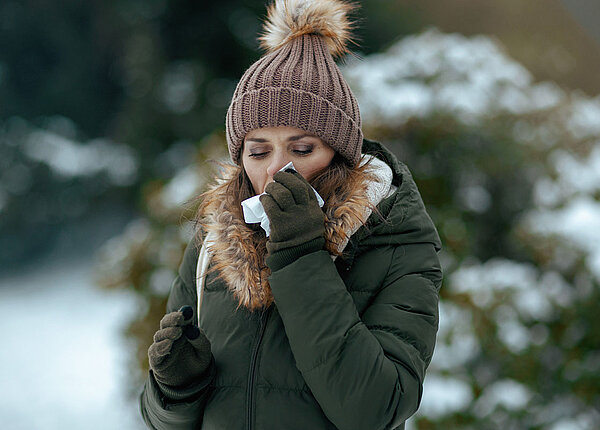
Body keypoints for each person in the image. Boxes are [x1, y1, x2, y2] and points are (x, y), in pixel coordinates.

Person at [139, 0, 443, 429]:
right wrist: (174, 390)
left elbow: (376, 409)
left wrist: (303, 257)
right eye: (258, 151)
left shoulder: (393, 237)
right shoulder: (215, 242)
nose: (277, 168)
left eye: (302, 149)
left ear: (339, 152)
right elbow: (162, 422)